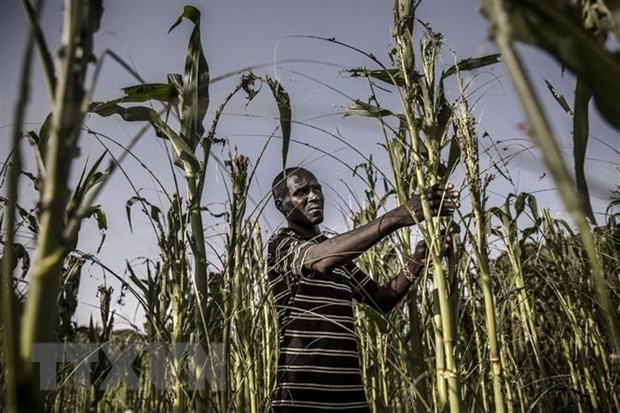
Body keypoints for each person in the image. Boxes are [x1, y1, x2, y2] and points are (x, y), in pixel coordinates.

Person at [267, 167, 460, 412]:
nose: (313, 196)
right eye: (301, 192)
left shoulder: (338, 258)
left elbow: (382, 299)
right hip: (301, 399)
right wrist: (396, 218)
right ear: (281, 205)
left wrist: (418, 260)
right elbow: (320, 259)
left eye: (317, 188)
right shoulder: (282, 245)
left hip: (350, 396)